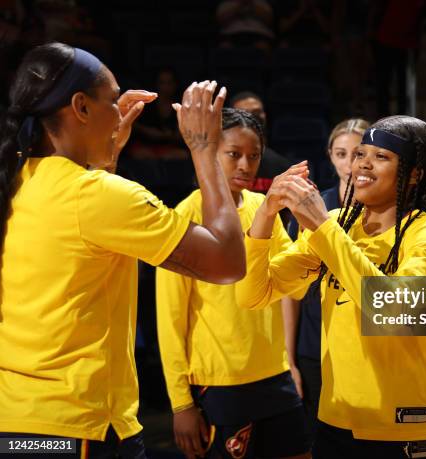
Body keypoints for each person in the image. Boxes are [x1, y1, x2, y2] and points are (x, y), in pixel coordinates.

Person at [0, 43, 245, 457]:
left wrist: (104, 163)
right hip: (81, 427)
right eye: (113, 101)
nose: (120, 113)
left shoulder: (18, 177)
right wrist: (204, 148)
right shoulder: (95, 196)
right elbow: (227, 262)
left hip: (19, 421)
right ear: (80, 107)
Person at [236, 116, 426, 458]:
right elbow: (253, 294)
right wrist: (266, 214)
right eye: (360, 154)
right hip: (336, 424)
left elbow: (392, 312)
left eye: (381, 157)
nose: (363, 164)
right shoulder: (341, 226)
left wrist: (325, 228)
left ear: (414, 174)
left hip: (410, 430)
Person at [156, 108, 310, 459]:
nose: (245, 165)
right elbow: (170, 318)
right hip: (219, 383)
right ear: (209, 153)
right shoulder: (184, 216)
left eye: (253, 156)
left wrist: (307, 223)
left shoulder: (263, 206)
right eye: (234, 154)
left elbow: (294, 286)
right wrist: (181, 404)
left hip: (275, 375)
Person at [284, 118, 369, 444]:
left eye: (360, 153)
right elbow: (289, 291)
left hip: (367, 346)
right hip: (314, 345)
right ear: (330, 157)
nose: (351, 164)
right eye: (341, 153)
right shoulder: (310, 208)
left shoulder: (389, 212)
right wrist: (289, 360)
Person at [230, 90, 291, 194]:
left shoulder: (281, 165)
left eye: (256, 113)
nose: (251, 118)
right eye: (244, 113)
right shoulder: (217, 164)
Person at [129, 67, 188, 159]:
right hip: (147, 146)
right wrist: (148, 131)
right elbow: (133, 124)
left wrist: (170, 135)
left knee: (182, 154)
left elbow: (181, 135)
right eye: (162, 83)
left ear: (175, 85)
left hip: (170, 148)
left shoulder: (180, 104)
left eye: (169, 83)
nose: (165, 87)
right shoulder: (147, 103)